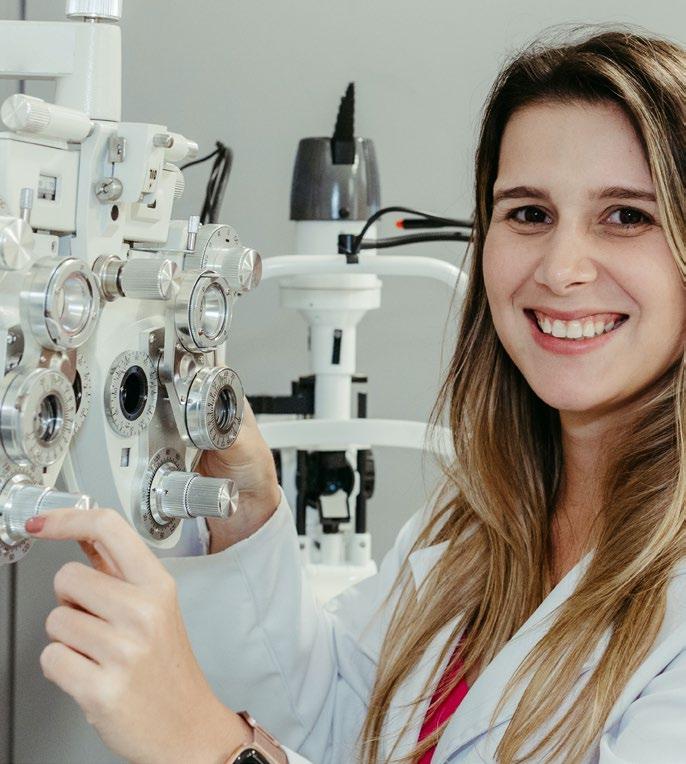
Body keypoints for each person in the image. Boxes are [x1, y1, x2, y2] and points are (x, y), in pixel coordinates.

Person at [25, 27, 686, 764]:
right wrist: (246, 520)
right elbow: (343, 725)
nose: (562, 269)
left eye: (628, 216)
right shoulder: (477, 522)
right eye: (529, 213)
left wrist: (209, 746)